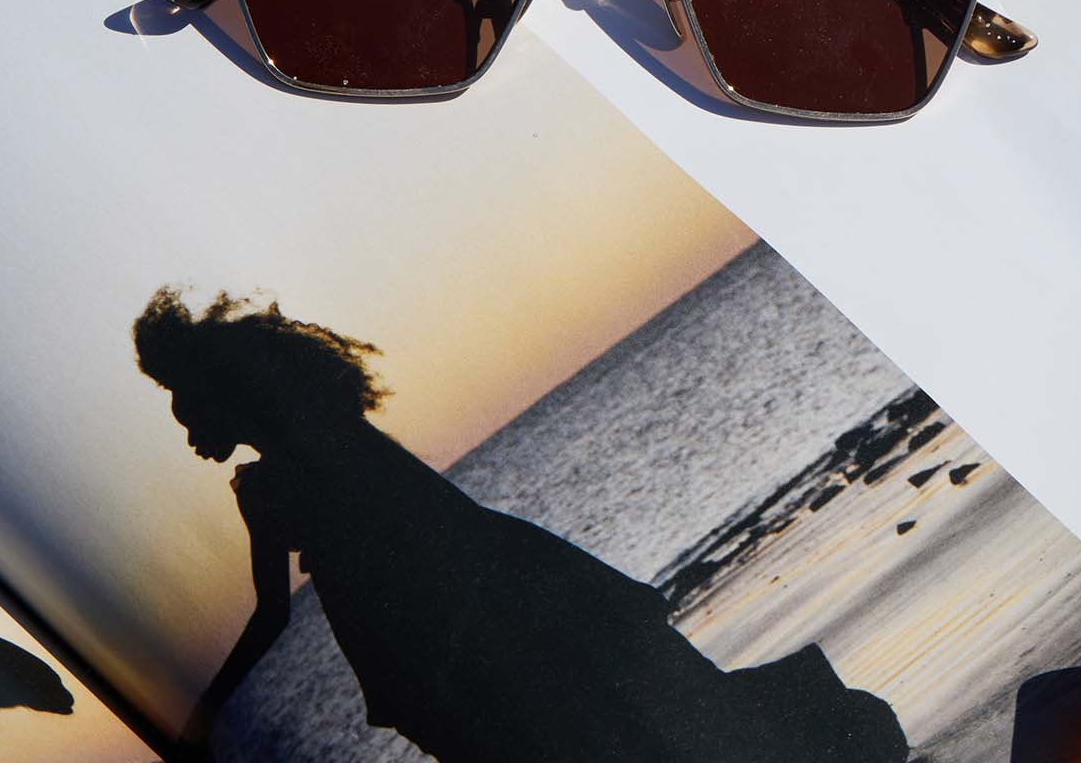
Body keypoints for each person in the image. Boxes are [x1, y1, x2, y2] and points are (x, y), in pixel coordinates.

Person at [134, 287, 909, 762]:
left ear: (224, 394)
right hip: (470, 632)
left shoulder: (306, 459)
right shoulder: (295, 464)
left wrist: (201, 713)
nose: (182, 426)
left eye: (184, 405)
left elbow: (419, 539)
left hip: (483, 633)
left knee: (645, 735)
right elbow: (285, 605)